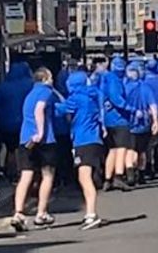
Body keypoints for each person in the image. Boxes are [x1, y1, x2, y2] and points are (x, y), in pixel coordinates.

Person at [55, 70, 105, 230]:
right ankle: (90, 213)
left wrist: (52, 99)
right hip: (93, 139)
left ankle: (91, 214)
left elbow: (61, 110)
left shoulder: (77, 99)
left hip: (83, 141)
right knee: (85, 176)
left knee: (84, 178)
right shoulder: (91, 96)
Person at [11, 67, 59, 232]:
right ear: (45, 78)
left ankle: (18, 213)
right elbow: (40, 109)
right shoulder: (45, 92)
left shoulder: (29, 94)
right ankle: (41, 212)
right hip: (44, 140)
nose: (52, 80)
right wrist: (40, 132)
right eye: (51, 77)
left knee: (26, 175)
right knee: (47, 175)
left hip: (25, 140)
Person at [0, 61, 33, 179]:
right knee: (22, 148)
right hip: (24, 123)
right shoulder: (29, 85)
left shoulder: (3, 86)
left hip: (6, 123)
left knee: (7, 147)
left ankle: (4, 169)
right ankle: (21, 170)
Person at [100, 57, 133, 191]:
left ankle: (107, 178)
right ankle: (118, 176)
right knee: (122, 148)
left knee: (112, 150)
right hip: (119, 119)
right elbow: (116, 98)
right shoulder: (115, 80)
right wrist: (130, 108)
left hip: (108, 119)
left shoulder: (104, 78)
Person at [125, 61, 158, 186]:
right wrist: (155, 121)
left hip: (129, 122)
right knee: (142, 151)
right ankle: (141, 174)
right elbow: (153, 105)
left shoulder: (124, 87)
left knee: (130, 150)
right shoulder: (145, 87)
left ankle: (129, 172)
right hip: (144, 123)